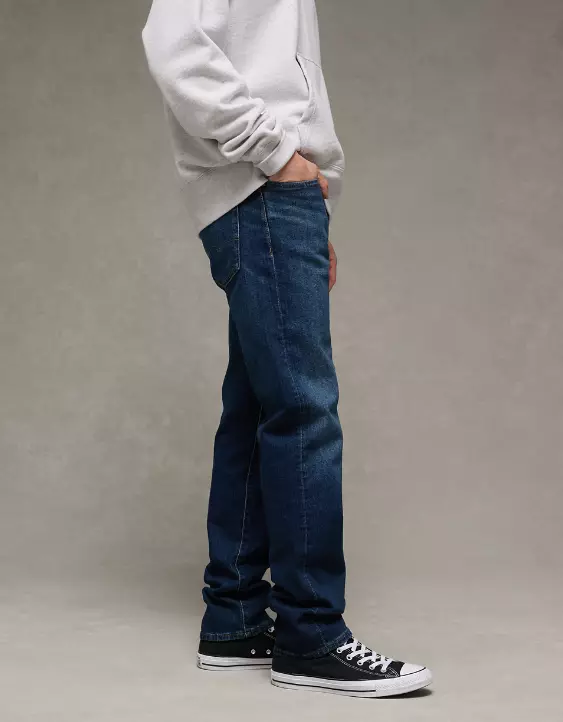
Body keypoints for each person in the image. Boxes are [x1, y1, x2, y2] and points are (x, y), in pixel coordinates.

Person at [141, 0, 432, 698]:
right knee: (304, 413)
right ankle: (310, 635)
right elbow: (174, 45)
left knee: (257, 410)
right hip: (261, 186)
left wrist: (310, 205)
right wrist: (278, 158)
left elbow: (284, 74)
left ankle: (235, 620)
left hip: (276, 195)